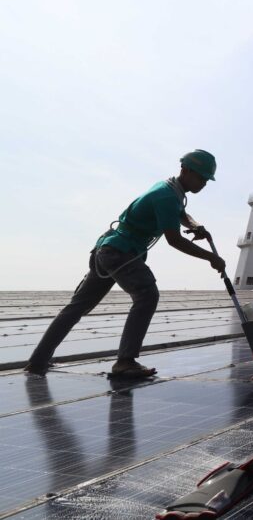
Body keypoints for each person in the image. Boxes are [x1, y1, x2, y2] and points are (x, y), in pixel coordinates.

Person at [25, 151, 226, 378]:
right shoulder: (167, 196)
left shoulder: (169, 189)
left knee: (77, 306)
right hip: (121, 252)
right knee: (147, 295)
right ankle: (125, 362)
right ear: (185, 170)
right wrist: (211, 257)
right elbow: (174, 240)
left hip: (109, 249)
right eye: (201, 177)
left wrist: (195, 225)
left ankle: (37, 360)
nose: (204, 183)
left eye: (207, 180)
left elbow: (181, 213)